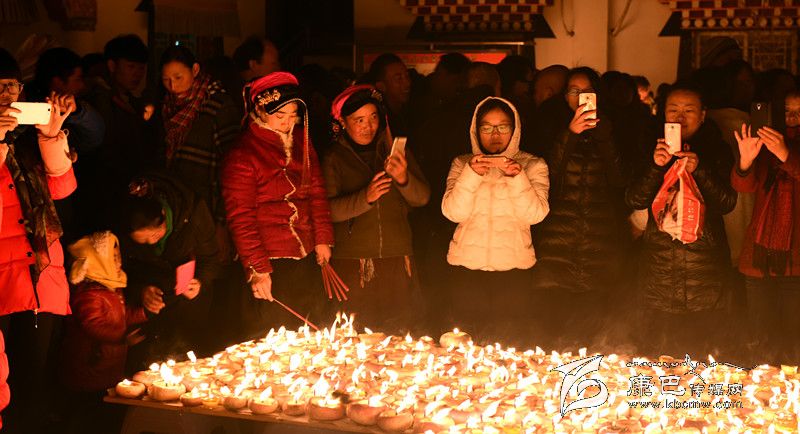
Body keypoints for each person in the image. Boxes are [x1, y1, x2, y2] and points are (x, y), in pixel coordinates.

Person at [625, 81, 737, 358]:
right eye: (673, 109)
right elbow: (634, 199)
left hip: (704, 269)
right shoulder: (650, 147)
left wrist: (700, 170)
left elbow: (727, 202)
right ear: (663, 113)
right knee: (660, 356)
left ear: (703, 115)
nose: (680, 117)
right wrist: (656, 166)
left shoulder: (717, 149)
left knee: (702, 356)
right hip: (659, 266)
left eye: (689, 110)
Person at [222, 72, 334, 337]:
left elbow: (317, 193)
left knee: (309, 335)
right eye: (280, 115)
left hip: (305, 254)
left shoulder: (302, 141)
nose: (287, 122)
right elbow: (241, 218)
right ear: (261, 110)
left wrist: (323, 239)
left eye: (293, 115)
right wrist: (258, 269)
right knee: (273, 337)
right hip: (270, 261)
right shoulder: (243, 154)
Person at [0, 48, 76, 434]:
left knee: (33, 385)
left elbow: (62, 188)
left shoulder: (28, 137)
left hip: (41, 274)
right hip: (4, 280)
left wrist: (50, 134)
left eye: (11, 86)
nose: (6, 96)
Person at [530, 67, 629, 351]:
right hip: (557, 236)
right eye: (574, 91)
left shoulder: (614, 126)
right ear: (565, 96)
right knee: (554, 325)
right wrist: (570, 134)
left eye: (587, 91)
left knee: (593, 328)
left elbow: (620, 179)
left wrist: (605, 136)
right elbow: (547, 176)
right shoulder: (550, 125)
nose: (580, 97)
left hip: (600, 236)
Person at [441, 96, 549, 344]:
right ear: (476, 130)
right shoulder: (462, 163)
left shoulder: (533, 164)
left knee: (510, 344)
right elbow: (453, 212)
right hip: (466, 269)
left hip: (514, 272)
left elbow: (535, 215)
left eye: (503, 126)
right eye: (487, 127)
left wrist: (517, 177)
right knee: (465, 345)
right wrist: (470, 174)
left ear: (515, 129)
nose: (495, 134)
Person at [323, 85, 430, 332]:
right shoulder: (334, 158)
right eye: (359, 120)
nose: (368, 126)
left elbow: (422, 198)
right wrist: (365, 197)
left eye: (373, 117)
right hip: (353, 261)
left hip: (398, 256)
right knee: (355, 333)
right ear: (342, 122)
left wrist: (403, 178)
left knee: (400, 332)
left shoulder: (395, 153)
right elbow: (327, 210)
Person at [119, 172, 217, 368]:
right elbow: (122, 269)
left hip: (186, 306)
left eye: (155, 235)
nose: (151, 242)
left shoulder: (192, 213)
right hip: (150, 312)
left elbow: (211, 258)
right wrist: (140, 290)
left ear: (163, 215)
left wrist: (200, 282)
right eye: (143, 241)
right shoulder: (124, 221)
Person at [732, 91, 800, 365]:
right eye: (787, 111)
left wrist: (786, 154)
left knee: (793, 342)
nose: (793, 118)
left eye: (799, 112)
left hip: (796, 260)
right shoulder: (766, 144)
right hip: (758, 257)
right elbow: (743, 186)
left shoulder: (781, 148)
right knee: (760, 339)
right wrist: (746, 160)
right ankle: (763, 387)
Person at [59, 231, 147, 433]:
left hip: (107, 365)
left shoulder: (111, 287)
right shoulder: (89, 293)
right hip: (90, 364)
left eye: (119, 257)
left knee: (100, 415)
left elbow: (120, 317)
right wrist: (122, 338)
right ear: (98, 261)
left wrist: (144, 313)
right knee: (86, 416)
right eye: (113, 258)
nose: (118, 262)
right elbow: (93, 325)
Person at [159, 46, 240, 253]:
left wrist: (222, 221)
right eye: (166, 79)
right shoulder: (167, 106)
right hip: (178, 205)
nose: (173, 86)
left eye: (178, 77)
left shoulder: (218, 104)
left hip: (208, 206)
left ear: (195, 70)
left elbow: (232, 167)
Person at [86, 34, 156, 203]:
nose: (137, 74)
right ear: (112, 65)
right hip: (105, 190)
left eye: (141, 68)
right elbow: (107, 150)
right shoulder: (99, 98)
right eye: (131, 67)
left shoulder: (128, 99)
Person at [367, 53, 411, 136]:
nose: (407, 83)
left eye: (407, 76)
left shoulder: (410, 113)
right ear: (381, 86)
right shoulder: (379, 122)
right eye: (399, 79)